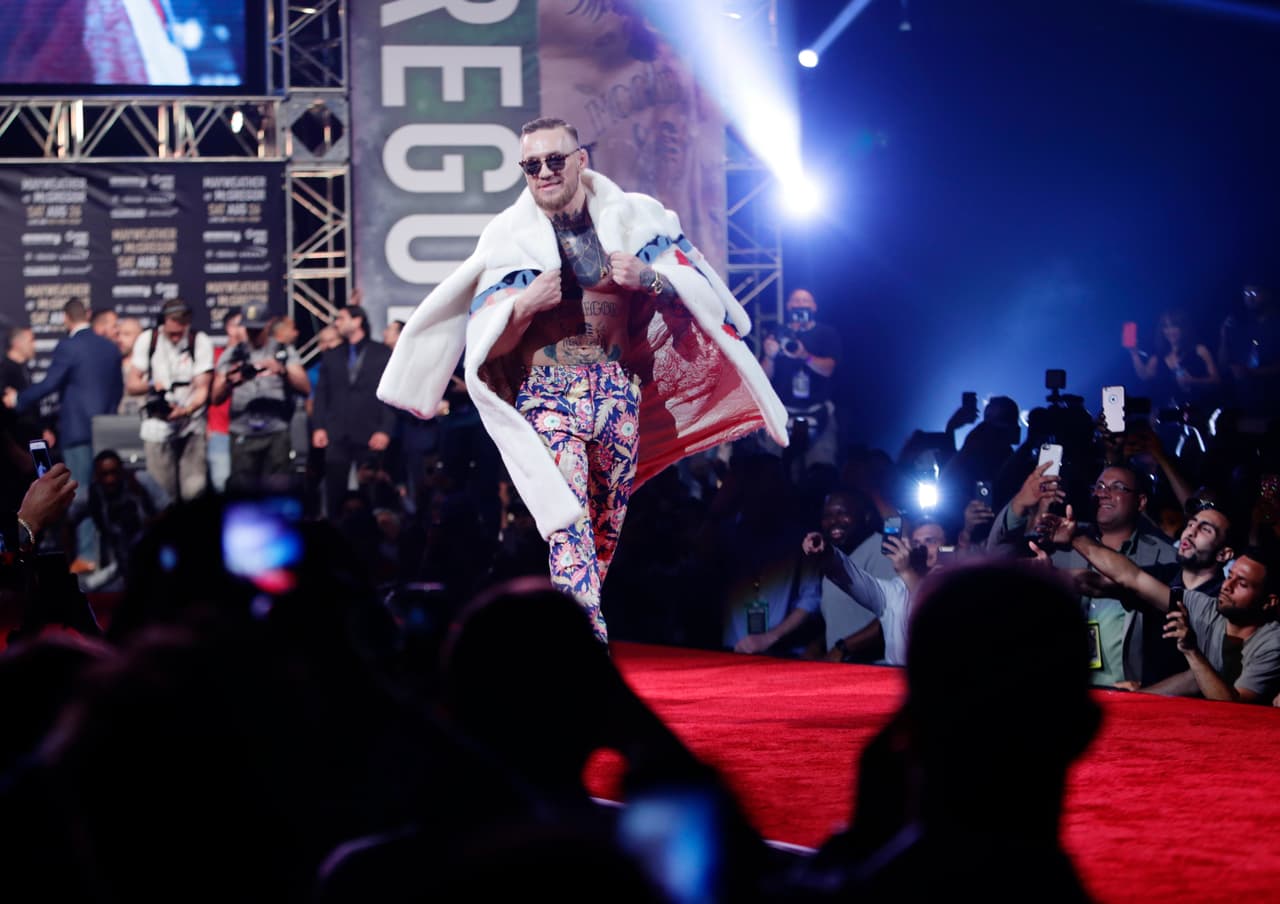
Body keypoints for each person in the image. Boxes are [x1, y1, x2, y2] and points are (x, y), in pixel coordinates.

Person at [377, 116, 787, 642]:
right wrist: (524, 307)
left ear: (580, 161)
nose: (543, 172)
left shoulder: (633, 220)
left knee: (603, 530)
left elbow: (692, 304)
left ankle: (570, 628)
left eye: (553, 160)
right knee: (567, 525)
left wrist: (652, 279)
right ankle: (584, 648)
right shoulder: (507, 238)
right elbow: (488, 349)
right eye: (531, 165)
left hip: (617, 395)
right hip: (548, 397)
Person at [1043, 506, 1280, 704]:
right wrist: (1075, 539)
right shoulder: (1207, 607)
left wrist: (1190, 651)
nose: (1227, 586)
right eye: (1231, 577)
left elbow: (1235, 710)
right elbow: (1130, 577)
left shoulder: (1272, 641)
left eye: (1242, 583)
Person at [8, 299, 123, 568]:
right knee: (107, 493)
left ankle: (87, 555)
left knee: (79, 495)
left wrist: (18, 401)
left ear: (65, 319)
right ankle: (110, 555)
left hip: (78, 431)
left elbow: (51, 383)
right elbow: (117, 389)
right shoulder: (109, 347)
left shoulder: (69, 346)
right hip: (107, 429)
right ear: (89, 315)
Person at [211, 303, 310, 491]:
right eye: (249, 329)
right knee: (242, 489)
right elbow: (215, 398)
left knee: (277, 488)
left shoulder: (282, 350)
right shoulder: (233, 354)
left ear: (267, 325)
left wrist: (281, 370)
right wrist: (231, 380)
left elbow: (305, 387)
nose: (253, 333)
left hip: (276, 431)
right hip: (243, 431)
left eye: (257, 329)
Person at [126, 299, 214, 501]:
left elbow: (203, 388)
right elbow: (132, 385)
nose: (177, 334)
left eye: (182, 327)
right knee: (162, 496)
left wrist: (187, 410)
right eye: (173, 328)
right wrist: (153, 386)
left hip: (191, 425)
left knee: (194, 492)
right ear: (163, 321)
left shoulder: (199, 341)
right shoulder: (148, 340)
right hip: (157, 426)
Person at [311, 306, 395, 518]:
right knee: (335, 492)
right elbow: (321, 395)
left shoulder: (382, 353)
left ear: (357, 321)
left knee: (371, 494)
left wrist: (385, 429)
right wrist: (319, 426)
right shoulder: (332, 355)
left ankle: (372, 542)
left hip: (370, 432)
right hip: (337, 433)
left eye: (341, 318)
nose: (336, 323)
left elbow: (391, 395)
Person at [761, 288, 842, 473]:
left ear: (814, 306)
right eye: (796, 301)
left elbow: (828, 369)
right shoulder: (778, 332)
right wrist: (769, 356)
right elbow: (764, 378)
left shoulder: (826, 333)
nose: (800, 305)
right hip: (783, 412)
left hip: (818, 412)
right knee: (775, 471)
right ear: (788, 306)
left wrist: (804, 355)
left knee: (820, 470)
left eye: (805, 301)